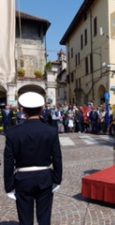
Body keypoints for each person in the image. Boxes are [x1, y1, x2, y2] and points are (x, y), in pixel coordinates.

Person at [3, 92, 63, 225]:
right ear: (42, 109)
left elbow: (8, 162)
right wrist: (57, 179)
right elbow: (57, 157)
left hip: (22, 179)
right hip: (45, 177)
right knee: (44, 218)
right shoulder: (51, 131)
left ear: (23, 110)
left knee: (25, 220)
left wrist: (9, 186)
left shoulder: (12, 132)